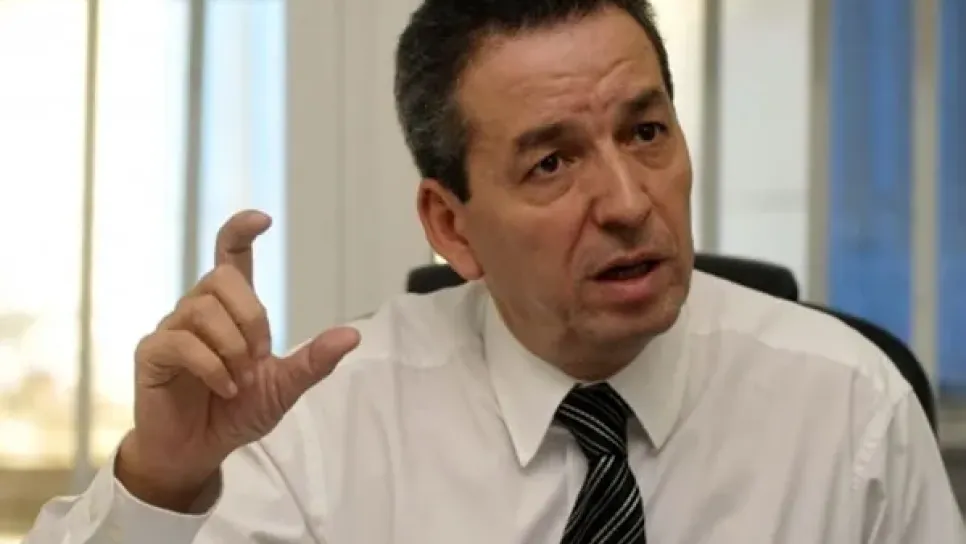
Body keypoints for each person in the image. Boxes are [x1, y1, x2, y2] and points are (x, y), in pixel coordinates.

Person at [23, 0, 965, 542]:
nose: (627, 201)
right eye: (552, 162)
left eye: (646, 132)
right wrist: (163, 481)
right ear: (452, 225)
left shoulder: (849, 409)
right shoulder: (325, 430)